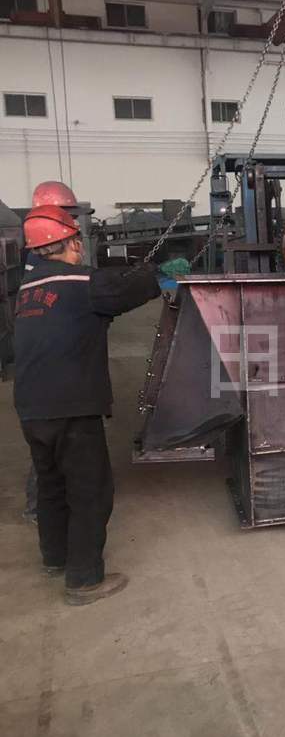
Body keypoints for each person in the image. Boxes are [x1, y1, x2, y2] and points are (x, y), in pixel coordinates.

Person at [14, 203, 161, 606]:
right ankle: (83, 579)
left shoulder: (27, 291)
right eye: (77, 240)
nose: (80, 247)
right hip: (71, 407)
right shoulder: (80, 283)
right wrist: (156, 271)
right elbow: (130, 288)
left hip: (31, 408)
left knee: (51, 486)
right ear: (70, 242)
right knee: (89, 490)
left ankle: (55, 558)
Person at [21, 181, 89, 524]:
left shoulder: (40, 254)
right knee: (50, 445)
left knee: (47, 442)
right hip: (49, 371)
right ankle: (39, 506)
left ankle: (45, 505)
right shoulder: (45, 260)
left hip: (39, 368)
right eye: (67, 215)